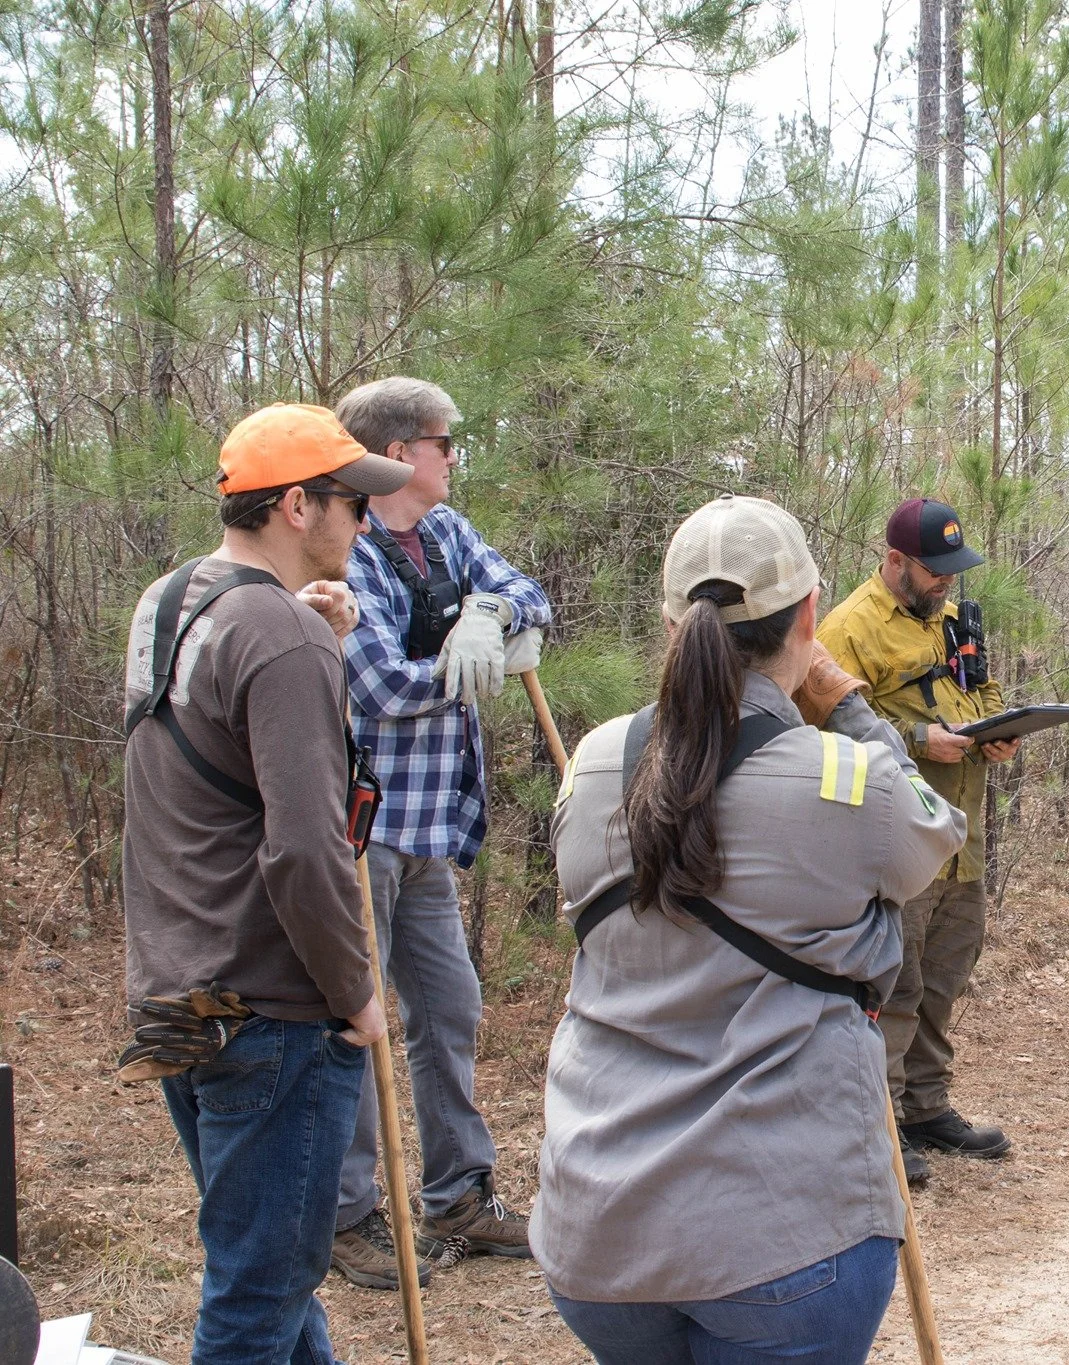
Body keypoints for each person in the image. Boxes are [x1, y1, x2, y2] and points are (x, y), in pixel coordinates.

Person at [533, 494, 966, 1364]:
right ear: (811, 616)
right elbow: (935, 833)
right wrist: (845, 702)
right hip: (788, 1244)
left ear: (670, 624)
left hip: (598, 1243)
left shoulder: (592, 761)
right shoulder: (848, 778)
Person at [118, 403, 412, 1363]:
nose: (365, 524)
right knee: (256, 1294)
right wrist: (358, 992)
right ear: (295, 506)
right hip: (270, 1010)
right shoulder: (282, 637)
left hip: (178, 989)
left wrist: (315, 632)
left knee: (274, 1270)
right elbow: (304, 847)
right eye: (350, 505)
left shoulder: (170, 602)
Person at [331, 376, 553, 1287]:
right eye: (443, 441)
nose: (454, 456)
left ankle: (459, 1194)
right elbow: (378, 686)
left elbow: (528, 593)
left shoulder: (448, 535)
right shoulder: (350, 549)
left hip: (432, 828)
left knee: (448, 1009)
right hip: (364, 823)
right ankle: (348, 1217)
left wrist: (488, 613)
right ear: (396, 454)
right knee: (357, 1021)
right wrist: (465, 665)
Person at [816, 497, 1019, 1184]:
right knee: (893, 988)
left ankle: (927, 1106)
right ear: (896, 561)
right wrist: (914, 740)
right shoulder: (847, 629)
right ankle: (881, 1124)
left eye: (954, 573)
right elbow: (820, 730)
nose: (946, 584)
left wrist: (997, 732)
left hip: (961, 833)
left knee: (943, 977)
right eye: (936, 573)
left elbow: (981, 690)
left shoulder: (953, 618)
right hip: (897, 839)